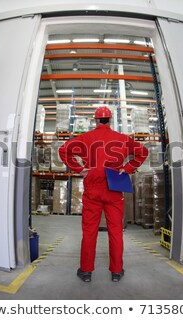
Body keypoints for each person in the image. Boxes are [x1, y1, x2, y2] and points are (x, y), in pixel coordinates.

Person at [59, 106, 149, 282]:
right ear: (110, 120)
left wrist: (79, 168)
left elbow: (63, 151)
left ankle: (86, 271)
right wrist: (127, 168)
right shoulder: (122, 139)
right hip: (114, 189)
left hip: (92, 189)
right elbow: (143, 152)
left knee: (89, 231)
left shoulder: (85, 138)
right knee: (116, 231)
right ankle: (116, 271)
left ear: (95, 120)